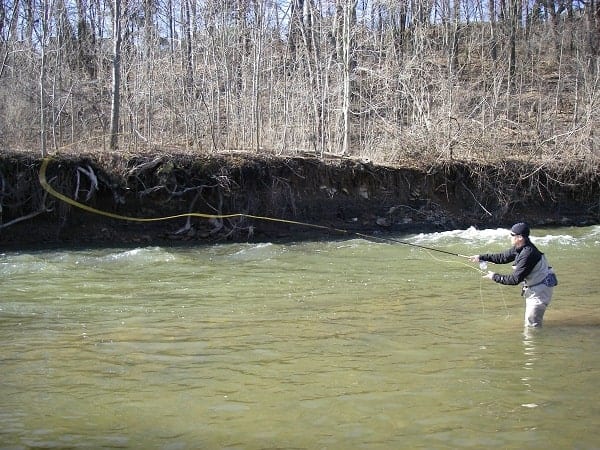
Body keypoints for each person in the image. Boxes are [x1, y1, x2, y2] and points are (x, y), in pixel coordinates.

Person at [469, 222, 557, 328]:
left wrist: (494, 276)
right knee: (531, 324)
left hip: (541, 290)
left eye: (512, 235)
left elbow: (515, 279)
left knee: (533, 325)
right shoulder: (519, 247)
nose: (509, 237)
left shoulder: (528, 254)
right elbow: (503, 257)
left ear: (519, 237)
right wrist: (481, 257)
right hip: (535, 286)